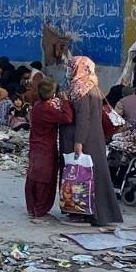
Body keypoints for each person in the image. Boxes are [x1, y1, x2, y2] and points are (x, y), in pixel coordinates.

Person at [59, 56, 123, 227]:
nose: (68, 69)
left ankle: (84, 213)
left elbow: (83, 117)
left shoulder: (80, 89)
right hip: (94, 138)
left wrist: (78, 141)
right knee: (94, 175)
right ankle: (99, 213)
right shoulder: (92, 86)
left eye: (71, 66)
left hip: (84, 140)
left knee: (83, 176)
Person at [27, 80, 73, 221]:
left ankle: (32, 207)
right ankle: (40, 209)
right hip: (46, 148)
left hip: (36, 145)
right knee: (44, 179)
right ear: (53, 94)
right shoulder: (47, 109)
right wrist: (65, 102)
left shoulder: (37, 106)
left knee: (33, 177)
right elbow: (67, 118)